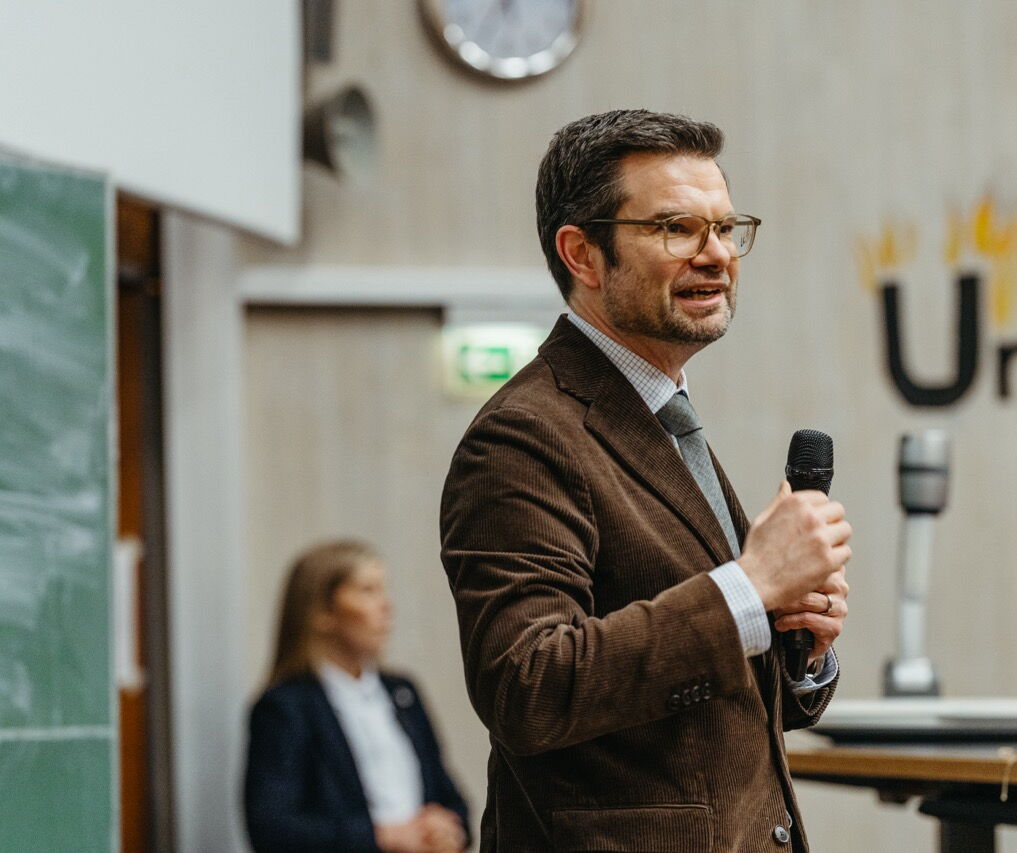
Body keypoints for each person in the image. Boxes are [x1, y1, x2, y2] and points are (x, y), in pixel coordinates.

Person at [439, 109, 851, 852]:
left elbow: (704, 697)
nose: (717, 255)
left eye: (727, 229)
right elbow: (527, 687)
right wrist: (751, 589)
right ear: (583, 254)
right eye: (675, 229)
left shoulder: (663, 415)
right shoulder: (523, 435)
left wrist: (801, 648)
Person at [244, 539, 470, 852]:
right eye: (367, 591)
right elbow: (271, 827)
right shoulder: (286, 707)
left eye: (384, 590)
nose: (386, 605)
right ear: (322, 612)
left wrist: (446, 827)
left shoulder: (401, 691)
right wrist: (383, 836)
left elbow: (450, 796)